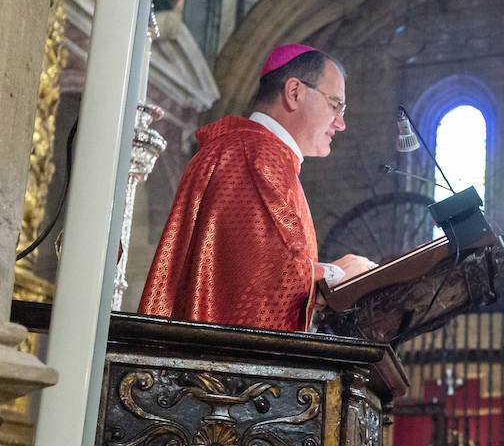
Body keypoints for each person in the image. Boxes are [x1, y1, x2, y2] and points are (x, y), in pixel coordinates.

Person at [139, 45, 375, 331]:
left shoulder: (250, 151)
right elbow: (259, 280)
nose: (340, 123)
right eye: (335, 105)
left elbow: (244, 265)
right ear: (294, 92)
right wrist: (337, 274)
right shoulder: (255, 154)